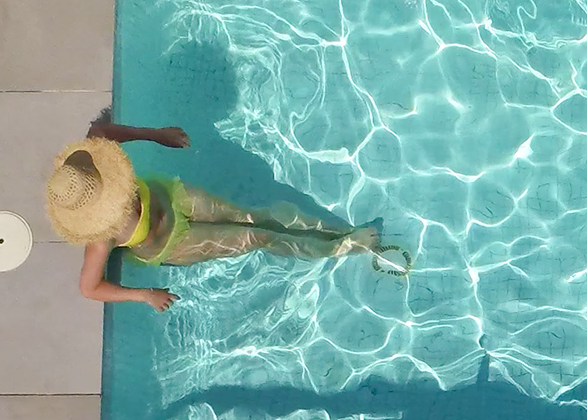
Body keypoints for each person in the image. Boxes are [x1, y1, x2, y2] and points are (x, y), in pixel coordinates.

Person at [43, 110, 409, 311]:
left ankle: (340, 231)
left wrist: (156, 134)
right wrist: (145, 295)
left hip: (175, 197)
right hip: (173, 242)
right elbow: (89, 288)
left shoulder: (95, 156)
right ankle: (345, 245)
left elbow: (101, 130)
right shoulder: (101, 238)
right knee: (256, 237)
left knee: (257, 215)